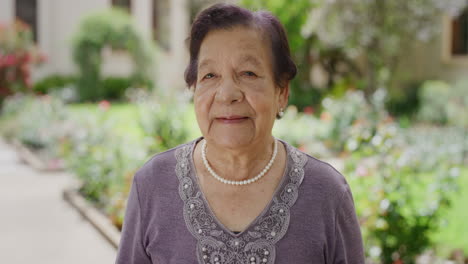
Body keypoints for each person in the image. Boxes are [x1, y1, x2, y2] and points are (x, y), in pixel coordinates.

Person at [115, 3, 364, 264]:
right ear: (194, 88)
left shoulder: (327, 193)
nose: (227, 94)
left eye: (248, 73)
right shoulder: (152, 186)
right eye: (210, 75)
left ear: (282, 92)